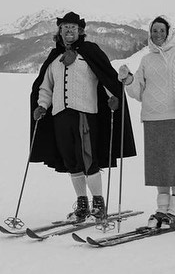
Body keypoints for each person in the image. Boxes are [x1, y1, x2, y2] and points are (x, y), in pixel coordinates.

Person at [30, 11, 137, 223]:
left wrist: (113, 96)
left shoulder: (90, 52)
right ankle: (82, 204)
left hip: (85, 115)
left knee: (88, 158)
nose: (69, 30)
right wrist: (42, 106)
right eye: (65, 27)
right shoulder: (53, 59)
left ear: (80, 31)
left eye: (73, 27)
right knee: (71, 161)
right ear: (59, 31)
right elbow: (46, 86)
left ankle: (98, 204)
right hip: (60, 116)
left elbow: (105, 76)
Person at [118, 16, 175, 229]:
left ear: (168, 32)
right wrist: (128, 80)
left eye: (161, 30)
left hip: (174, 116)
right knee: (158, 166)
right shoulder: (147, 60)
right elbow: (138, 91)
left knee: (174, 164)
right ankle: (162, 210)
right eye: (154, 31)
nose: (158, 34)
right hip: (151, 118)